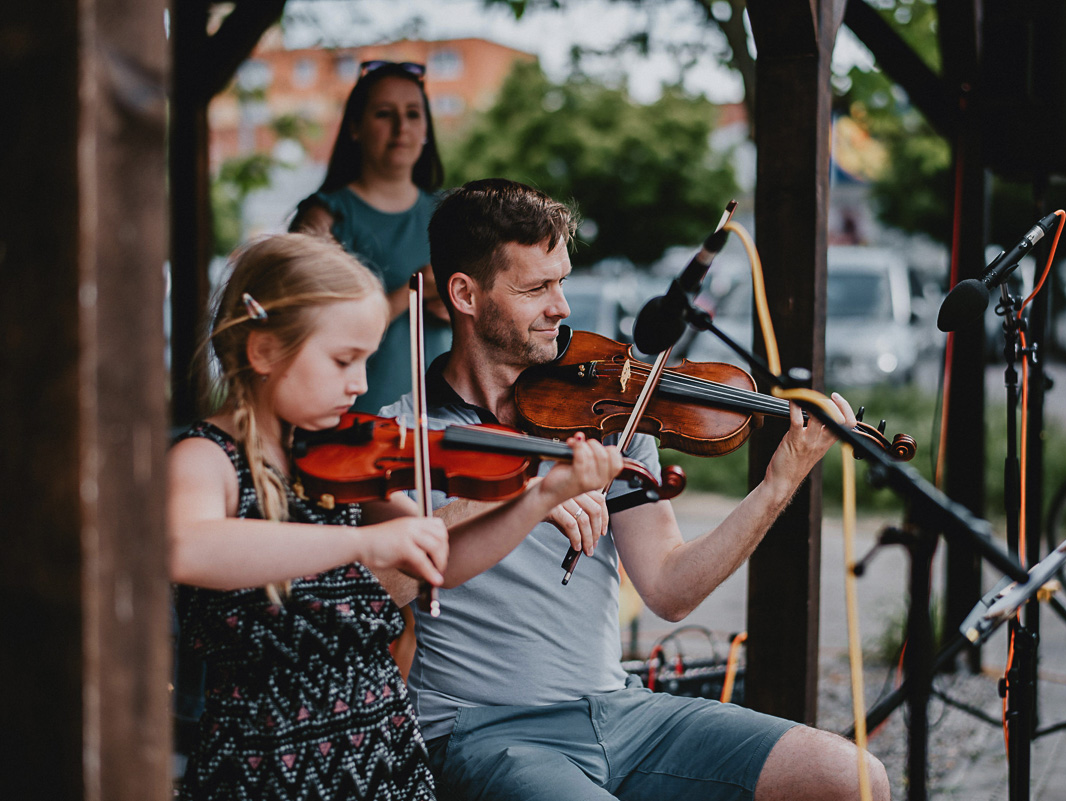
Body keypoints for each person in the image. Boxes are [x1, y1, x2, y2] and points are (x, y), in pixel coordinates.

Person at [379, 179, 891, 801]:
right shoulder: (400, 436)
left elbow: (671, 590)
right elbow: (392, 582)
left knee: (853, 779)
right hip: (484, 730)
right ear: (464, 293)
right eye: (536, 288)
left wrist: (777, 486)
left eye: (562, 280)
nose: (561, 306)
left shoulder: (606, 416)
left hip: (620, 712)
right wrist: (525, 490)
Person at [168, 232, 625, 800]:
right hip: (267, 761)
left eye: (366, 360)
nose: (360, 385)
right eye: (343, 361)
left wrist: (533, 497)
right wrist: (361, 547)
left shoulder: (339, 451)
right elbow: (188, 546)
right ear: (263, 352)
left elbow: (441, 559)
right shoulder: (205, 459)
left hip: (379, 753)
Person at [290, 59, 451, 413]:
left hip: (445, 424)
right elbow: (314, 331)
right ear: (354, 127)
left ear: (426, 128)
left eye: (412, 114)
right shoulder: (322, 217)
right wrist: (413, 290)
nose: (401, 127)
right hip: (355, 424)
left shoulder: (453, 214)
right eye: (383, 113)